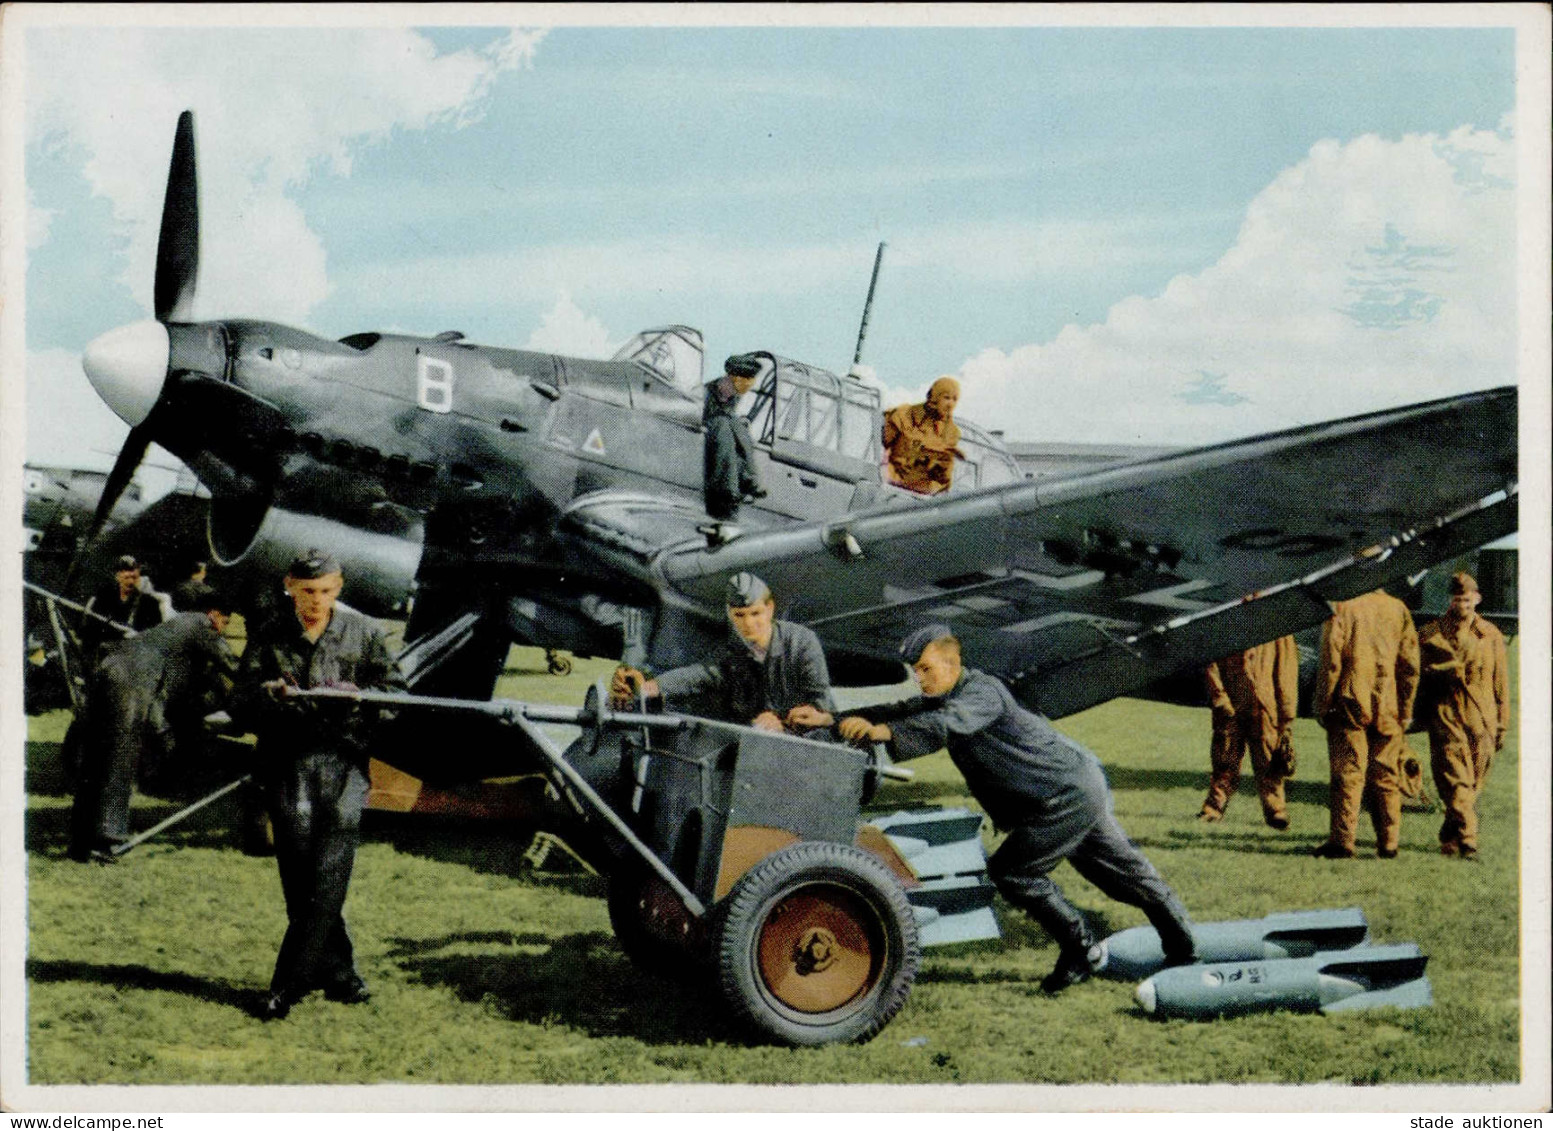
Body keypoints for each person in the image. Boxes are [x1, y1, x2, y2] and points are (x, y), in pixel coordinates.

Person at [837, 625, 1197, 994]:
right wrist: (832, 719)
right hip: (1067, 788)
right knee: (1123, 874)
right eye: (915, 670)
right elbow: (898, 710)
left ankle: (1085, 948)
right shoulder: (943, 696)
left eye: (926, 669)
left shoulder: (981, 692)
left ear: (953, 662)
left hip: (1064, 793)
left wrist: (883, 732)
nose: (919, 678)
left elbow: (947, 724)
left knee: (1015, 871)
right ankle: (1183, 951)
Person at [231, 550, 406, 1020]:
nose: (317, 601)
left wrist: (360, 699)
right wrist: (267, 695)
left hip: (343, 768)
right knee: (301, 881)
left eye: (327, 591)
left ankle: (286, 987)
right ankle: (341, 975)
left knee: (328, 874)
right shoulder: (269, 633)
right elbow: (239, 702)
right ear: (289, 585)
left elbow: (396, 699)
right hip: (287, 767)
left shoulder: (365, 633)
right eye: (307, 591)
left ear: (340, 587)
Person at [67, 583, 238, 862]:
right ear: (214, 614)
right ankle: (108, 841)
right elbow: (230, 663)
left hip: (109, 668)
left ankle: (80, 842)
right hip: (129, 680)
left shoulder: (172, 629)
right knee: (121, 761)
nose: (223, 628)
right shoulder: (202, 624)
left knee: (96, 760)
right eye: (224, 621)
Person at [608, 572, 834, 735]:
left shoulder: (802, 643)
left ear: (770, 608)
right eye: (740, 615)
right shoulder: (731, 653)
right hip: (759, 742)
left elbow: (827, 711)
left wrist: (791, 721)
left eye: (756, 613)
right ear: (730, 614)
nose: (749, 623)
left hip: (808, 742)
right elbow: (696, 676)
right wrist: (646, 687)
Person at [1310, 588, 1420, 860]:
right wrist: (1405, 709)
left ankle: (1343, 841)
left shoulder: (1342, 606)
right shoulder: (1398, 608)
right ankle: (1389, 843)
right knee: (1386, 775)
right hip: (1388, 703)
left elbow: (1331, 662)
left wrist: (1323, 703)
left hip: (1350, 699)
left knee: (1348, 773)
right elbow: (1410, 666)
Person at [1416, 572, 1509, 860]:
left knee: (1473, 783)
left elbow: (1500, 682)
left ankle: (1450, 830)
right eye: (1458, 600)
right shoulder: (1431, 634)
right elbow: (1414, 676)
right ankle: (1469, 841)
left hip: (1483, 720)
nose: (1463, 606)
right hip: (1447, 714)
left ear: (1477, 599)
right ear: (1450, 600)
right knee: (1456, 780)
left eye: (1468, 600)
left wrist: (1502, 724)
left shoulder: (1490, 634)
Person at [1197, 636, 1299, 829]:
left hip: (1264, 705)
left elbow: (1287, 671)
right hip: (1229, 704)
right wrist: (1220, 698)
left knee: (1269, 759)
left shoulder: (1279, 626)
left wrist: (1287, 714)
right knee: (1224, 759)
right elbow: (1212, 661)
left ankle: (1276, 810)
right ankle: (1214, 807)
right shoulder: (1229, 618)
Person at [701, 353, 768, 545]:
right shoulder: (709, 392)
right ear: (734, 377)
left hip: (720, 439)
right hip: (713, 438)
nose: (749, 384)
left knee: (738, 428)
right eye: (746, 379)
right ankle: (733, 489)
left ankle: (748, 479)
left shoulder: (732, 397)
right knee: (725, 426)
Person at [882, 376, 965, 495]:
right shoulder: (904, 415)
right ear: (935, 396)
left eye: (954, 399)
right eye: (946, 398)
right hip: (889, 486)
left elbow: (942, 481)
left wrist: (943, 466)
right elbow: (880, 446)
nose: (950, 404)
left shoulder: (952, 433)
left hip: (921, 497)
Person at [79, 554, 166, 667]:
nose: (130, 582)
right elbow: (89, 633)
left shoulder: (149, 604)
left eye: (134, 578)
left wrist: (139, 637)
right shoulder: (103, 598)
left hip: (135, 661)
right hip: (104, 658)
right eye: (126, 578)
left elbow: (157, 638)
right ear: (118, 576)